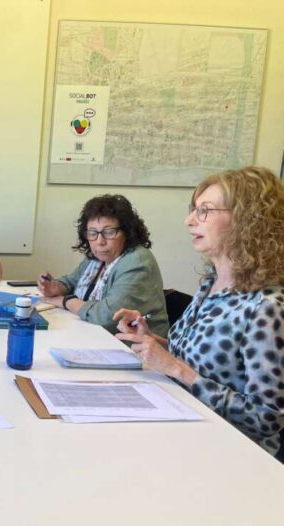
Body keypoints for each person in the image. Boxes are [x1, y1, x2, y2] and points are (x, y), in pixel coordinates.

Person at [115, 166, 284, 461]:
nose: (189, 220)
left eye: (204, 211)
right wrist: (152, 340)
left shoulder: (268, 306)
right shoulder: (211, 284)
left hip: (232, 455)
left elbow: (266, 419)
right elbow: (200, 360)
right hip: (182, 426)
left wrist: (175, 369)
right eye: (193, 209)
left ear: (247, 220)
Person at [38, 194, 168, 337]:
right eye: (93, 233)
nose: (100, 241)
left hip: (133, 345)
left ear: (127, 232)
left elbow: (106, 316)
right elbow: (72, 280)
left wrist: (66, 301)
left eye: (109, 232)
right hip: (94, 335)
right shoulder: (97, 258)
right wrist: (57, 288)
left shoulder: (137, 261)